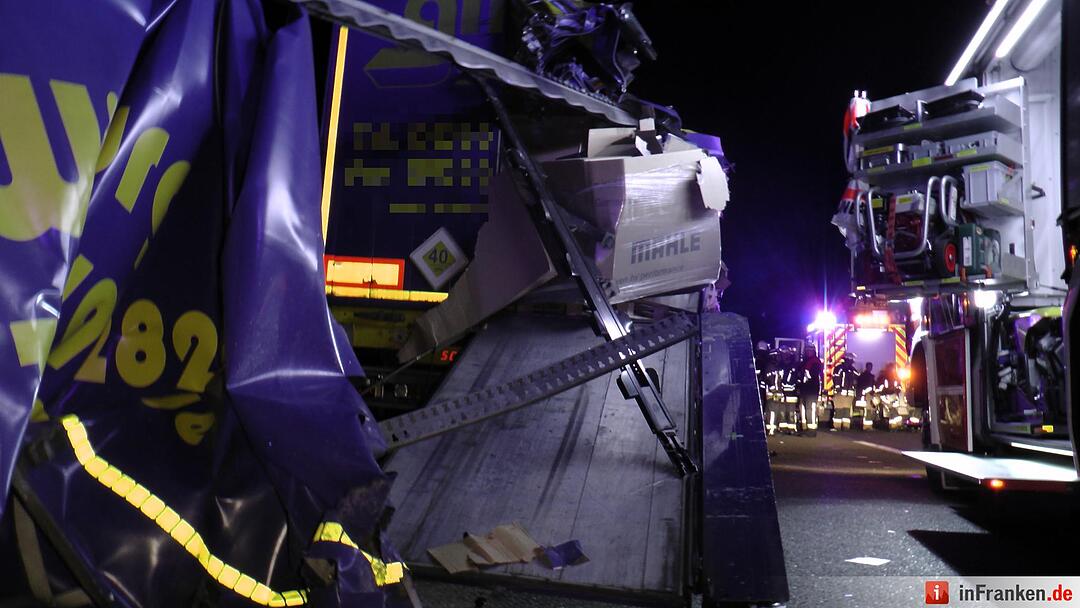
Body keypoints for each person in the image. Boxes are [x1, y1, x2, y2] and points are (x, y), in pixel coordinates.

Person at [795, 345, 823, 434]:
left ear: (813, 351)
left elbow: (813, 376)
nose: (808, 352)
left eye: (810, 350)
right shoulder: (805, 362)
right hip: (804, 390)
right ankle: (804, 428)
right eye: (807, 350)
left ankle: (812, 430)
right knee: (803, 408)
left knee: (810, 409)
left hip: (812, 390)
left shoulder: (815, 362)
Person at [832, 354, 858, 429]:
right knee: (844, 410)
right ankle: (845, 427)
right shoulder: (852, 370)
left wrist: (837, 389)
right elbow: (836, 378)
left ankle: (838, 427)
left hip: (843, 393)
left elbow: (835, 378)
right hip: (845, 393)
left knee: (840, 410)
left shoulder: (839, 368)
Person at [854, 362, 875, 428]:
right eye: (869, 367)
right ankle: (867, 426)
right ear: (867, 367)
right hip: (867, 395)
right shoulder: (868, 376)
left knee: (867, 410)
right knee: (868, 410)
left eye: (871, 367)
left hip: (865, 395)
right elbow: (868, 386)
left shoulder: (863, 376)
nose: (870, 368)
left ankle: (867, 426)